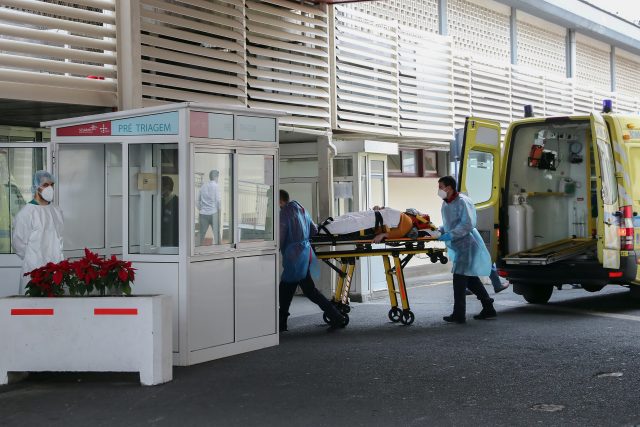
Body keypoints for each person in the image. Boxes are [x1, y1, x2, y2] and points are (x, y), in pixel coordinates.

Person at [278, 190, 346, 332]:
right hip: (304, 254)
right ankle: (282, 323)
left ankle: (336, 316)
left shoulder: (284, 213)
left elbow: (280, 236)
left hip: (293, 257)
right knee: (296, 290)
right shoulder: (302, 209)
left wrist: (274, 248)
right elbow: (314, 230)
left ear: (279, 200)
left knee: (292, 290)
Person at [436, 176, 497, 323]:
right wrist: (439, 230)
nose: (439, 190)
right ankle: (488, 307)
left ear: (449, 187)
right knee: (469, 278)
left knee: (459, 278)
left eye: (440, 187)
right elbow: (450, 224)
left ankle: (459, 314)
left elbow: (467, 224)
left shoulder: (463, 201)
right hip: (459, 245)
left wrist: (449, 235)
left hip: (467, 244)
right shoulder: (446, 203)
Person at [12, 170, 64, 294]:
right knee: (33, 303)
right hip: (34, 269)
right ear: (36, 187)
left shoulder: (56, 210)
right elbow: (19, 245)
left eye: (52, 185)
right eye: (45, 185)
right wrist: (34, 258)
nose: (50, 188)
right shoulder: (26, 213)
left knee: (56, 303)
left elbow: (59, 237)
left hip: (55, 268)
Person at [197, 170, 221, 245]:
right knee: (217, 234)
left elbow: (197, 200)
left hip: (203, 214)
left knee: (201, 234)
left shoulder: (203, 186)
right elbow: (218, 201)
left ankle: (197, 249)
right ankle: (219, 250)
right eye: (218, 177)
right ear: (216, 177)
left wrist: (201, 208)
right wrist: (219, 211)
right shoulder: (216, 186)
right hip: (213, 213)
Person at [161, 176, 179, 247]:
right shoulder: (159, 201)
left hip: (173, 242)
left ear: (167, 187)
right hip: (162, 240)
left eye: (160, 186)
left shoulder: (177, 202)